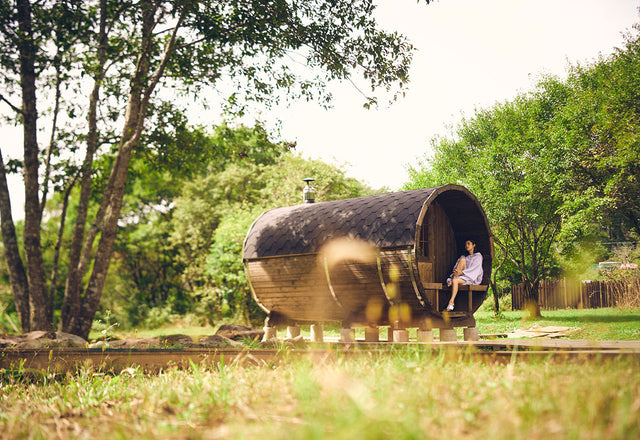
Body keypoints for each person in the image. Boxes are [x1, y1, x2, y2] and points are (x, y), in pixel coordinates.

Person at [445, 239, 483, 311]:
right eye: (466, 244)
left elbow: (475, 269)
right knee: (462, 259)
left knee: (455, 281)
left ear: (473, 245)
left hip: (471, 277)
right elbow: (456, 267)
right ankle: (454, 280)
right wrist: (456, 271)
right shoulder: (464, 256)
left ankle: (451, 301)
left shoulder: (478, 256)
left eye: (468, 244)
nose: (466, 246)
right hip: (460, 276)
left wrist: (461, 273)